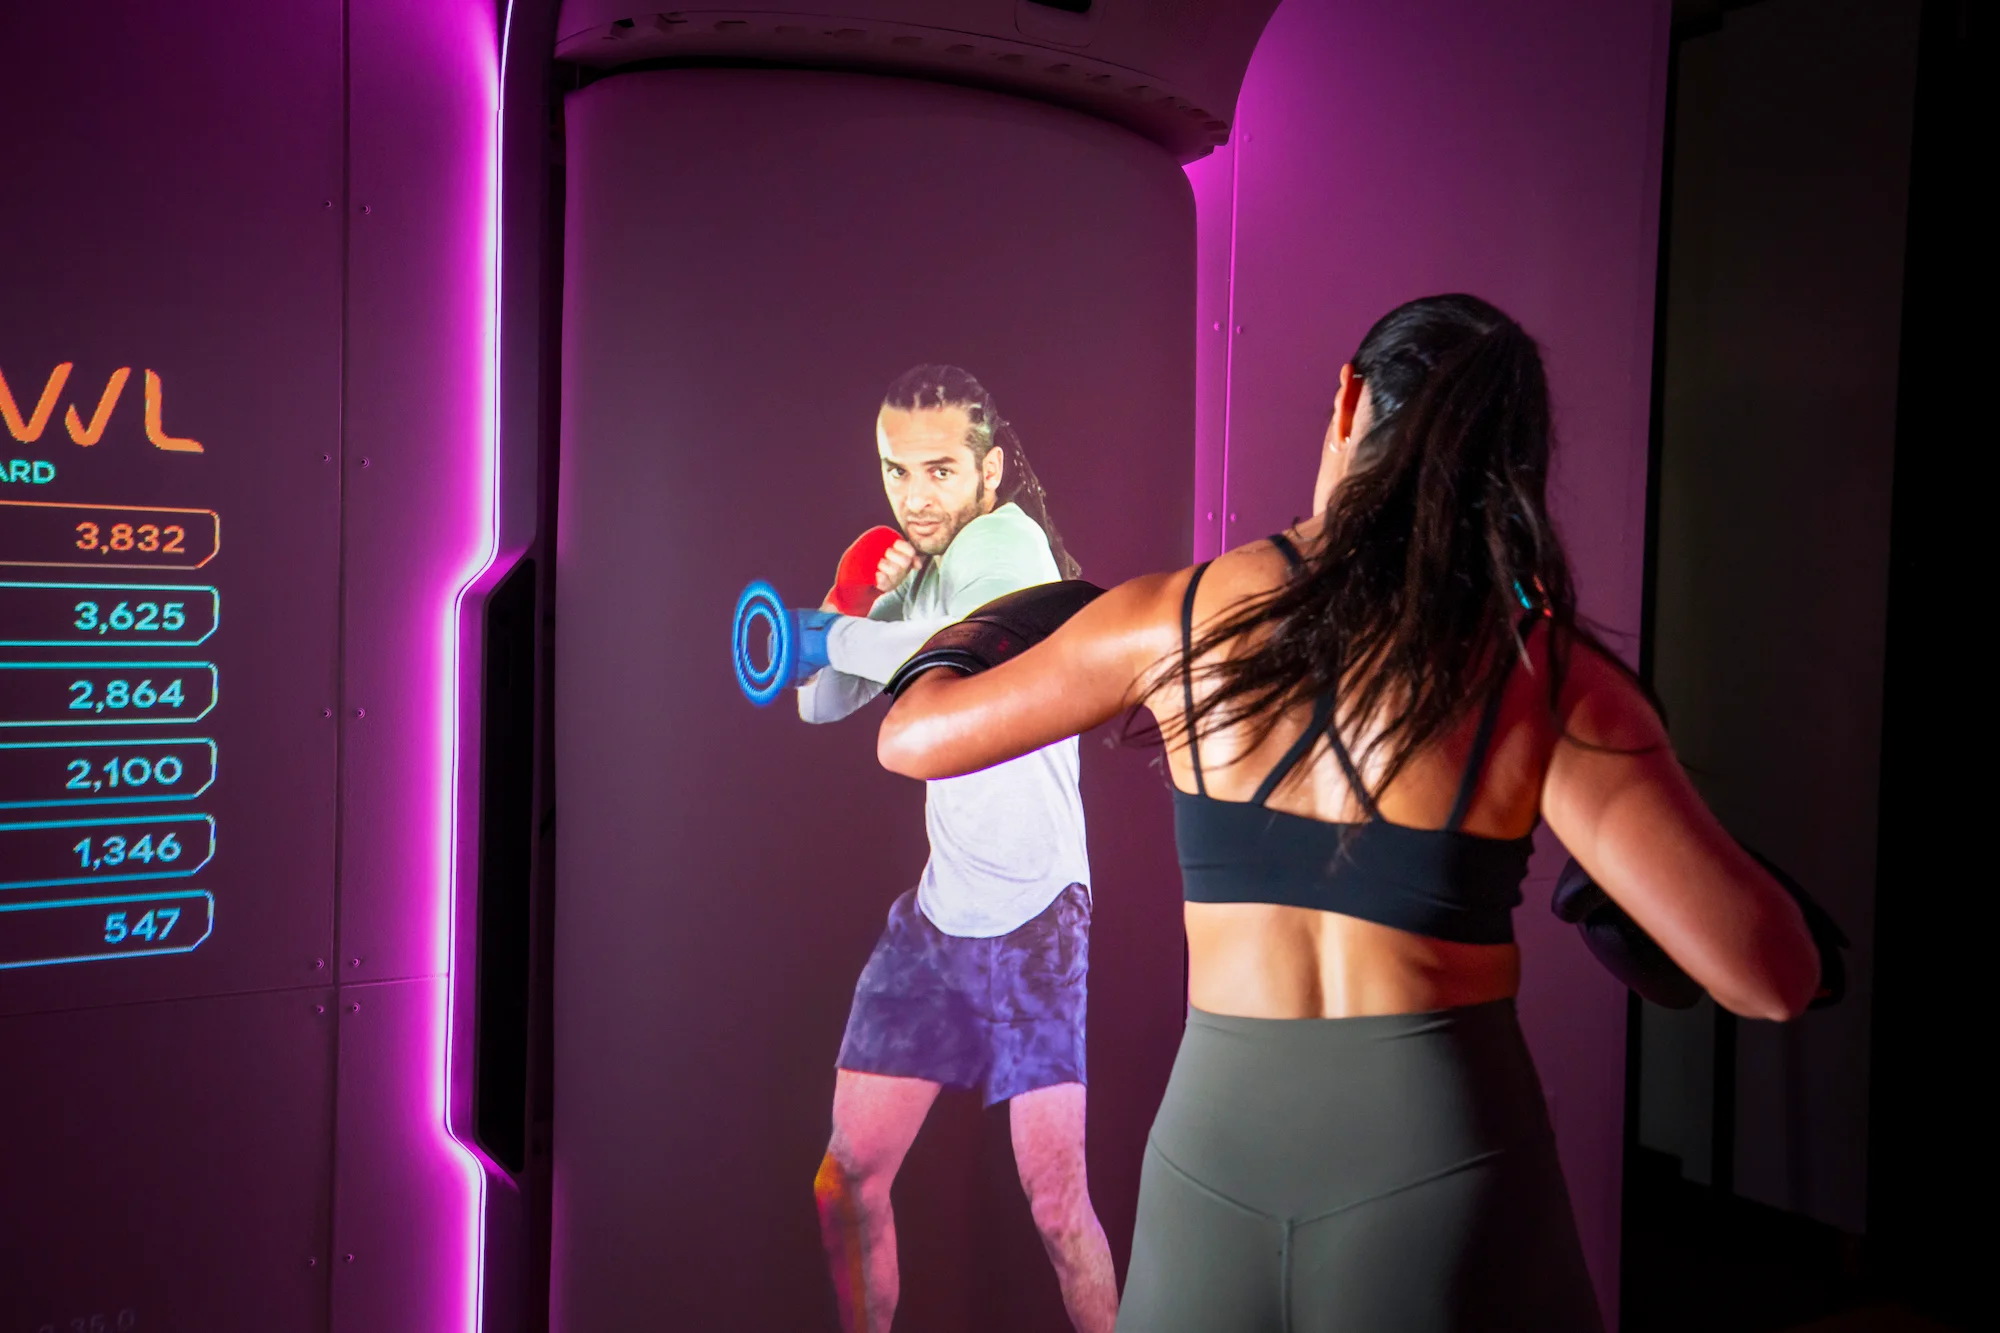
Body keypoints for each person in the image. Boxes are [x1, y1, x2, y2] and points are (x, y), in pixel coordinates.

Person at [876, 297, 1823, 1331]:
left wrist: (1013, 620)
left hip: (1211, 1165)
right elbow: (1773, 977)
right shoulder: (1540, 671)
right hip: (1440, 1169)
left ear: (1346, 402)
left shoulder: (1175, 617)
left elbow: (911, 737)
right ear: (1511, 465)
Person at [801, 365, 1117, 1333]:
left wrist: (835, 627)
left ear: (987, 470)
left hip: (1035, 920)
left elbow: (945, 642)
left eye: (939, 470)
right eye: (897, 471)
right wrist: (850, 591)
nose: (915, 495)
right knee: (844, 1177)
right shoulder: (916, 567)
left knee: (1057, 1209)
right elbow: (816, 701)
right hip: (941, 918)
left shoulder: (1009, 545)